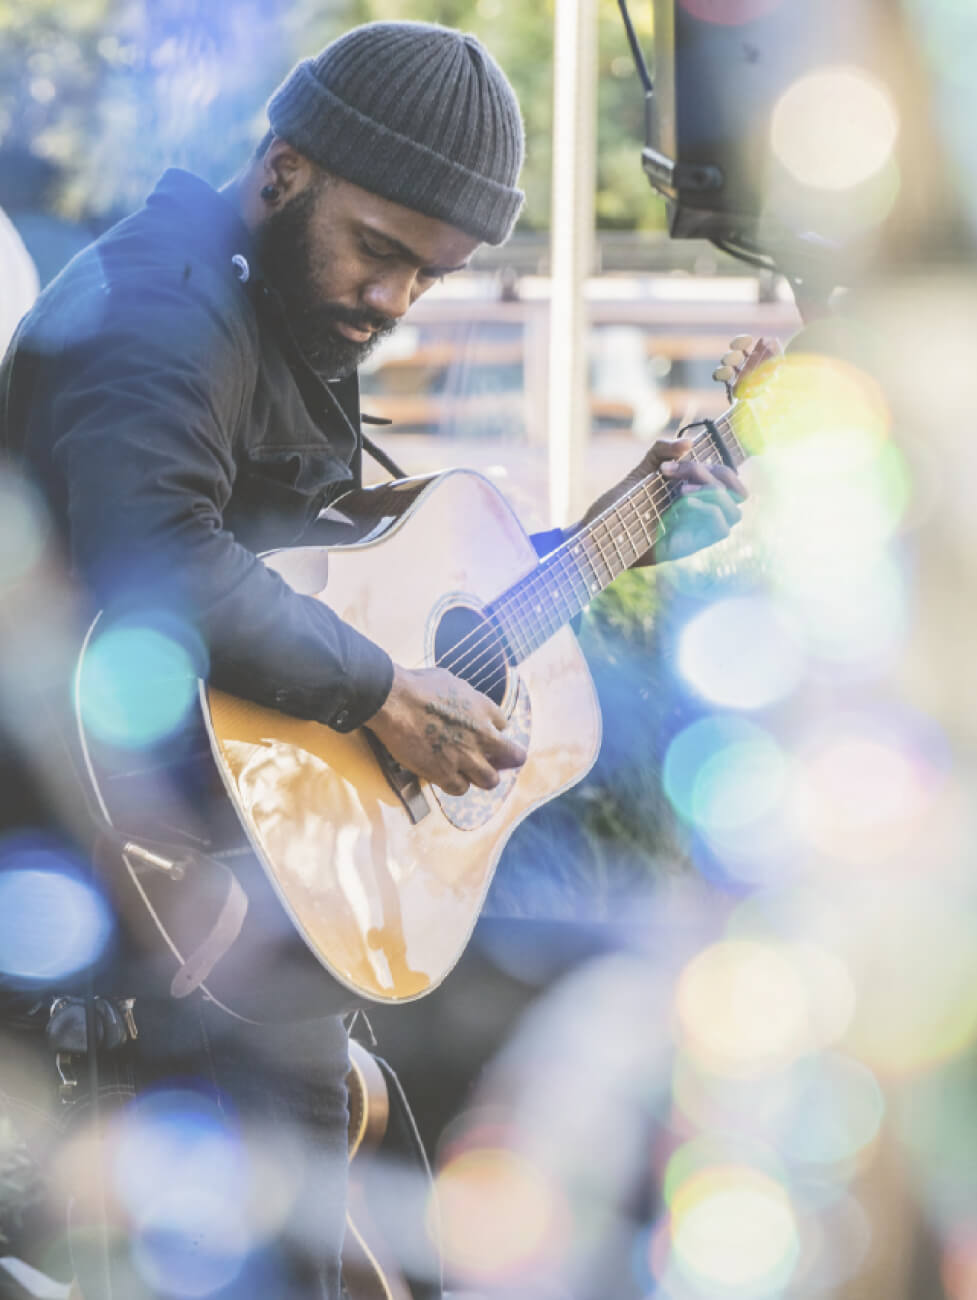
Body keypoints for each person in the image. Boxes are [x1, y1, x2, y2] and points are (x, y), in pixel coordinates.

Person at [0, 20, 747, 1299]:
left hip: (239, 912)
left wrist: (624, 533)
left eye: (431, 278)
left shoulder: (281, 304)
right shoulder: (158, 315)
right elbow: (158, 563)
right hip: (126, 947)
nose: (395, 301)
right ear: (283, 166)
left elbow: (368, 596)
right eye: (382, 252)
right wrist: (385, 692)